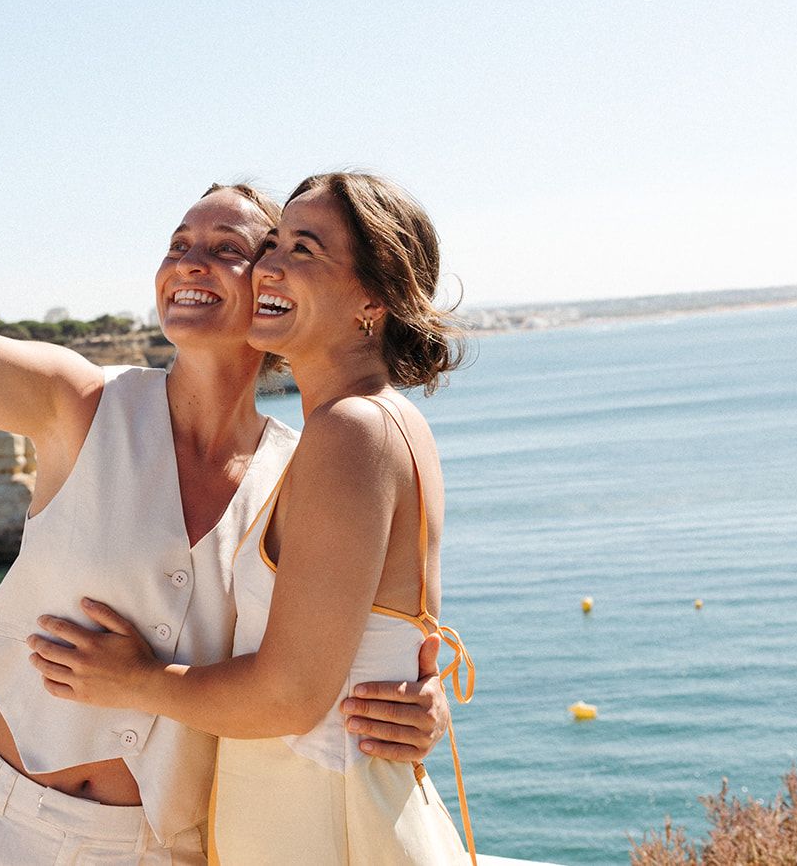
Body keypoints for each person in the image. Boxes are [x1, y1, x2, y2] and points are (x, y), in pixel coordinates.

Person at [0, 78, 453, 865]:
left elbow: (338, 652)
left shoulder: (306, 465)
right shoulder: (79, 402)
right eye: (179, 242)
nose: (191, 262)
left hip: (165, 846)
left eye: (231, 250)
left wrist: (408, 705)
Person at [27, 172, 477, 865]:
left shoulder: (351, 429)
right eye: (273, 245)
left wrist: (134, 680)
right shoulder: (374, 424)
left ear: (373, 297)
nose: (271, 266)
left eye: (304, 249)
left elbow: (291, 696)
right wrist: (423, 695)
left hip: (327, 828)